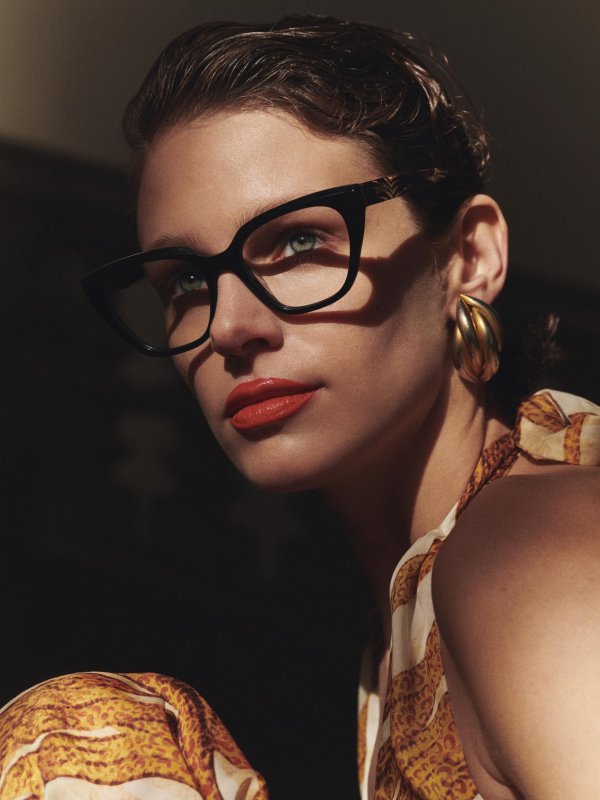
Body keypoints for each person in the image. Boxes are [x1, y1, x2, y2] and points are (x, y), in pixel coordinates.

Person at [1, 15, 599, 800]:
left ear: (468, 256)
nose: (230, 326)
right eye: (187, 281)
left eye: (297, 244)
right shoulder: (414, 611)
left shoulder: (529, 551)